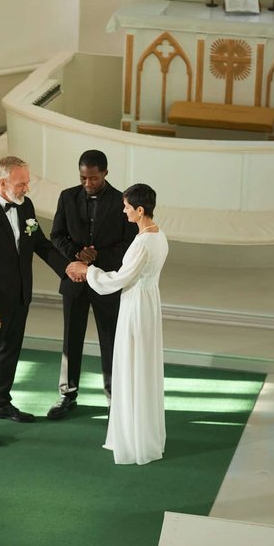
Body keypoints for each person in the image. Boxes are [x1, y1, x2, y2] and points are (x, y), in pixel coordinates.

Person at [0, 155, 70, 446]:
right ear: (3, 183)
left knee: (10, 352)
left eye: (27, 182)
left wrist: (67, 268)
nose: (26, 188)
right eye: (21, 183)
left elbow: (40, 244)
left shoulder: (26, 206)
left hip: (21, 297)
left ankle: (1, 402)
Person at [67, 184, 168, 465]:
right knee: (142, 367)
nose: (123, 211)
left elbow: (119, 279)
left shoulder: (143, 243)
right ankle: (141, 433)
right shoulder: (159, 236)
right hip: (147, 303)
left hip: (135, 307)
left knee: (131, 366)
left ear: (139, 209)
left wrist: (87, 271)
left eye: (126, 207)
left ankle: (133, 441)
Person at [47, 150, 136, 420]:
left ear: (105, 173)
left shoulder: (122, 201)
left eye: (93, 178)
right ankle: (67, 395)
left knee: (110, 340)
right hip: (75, 280)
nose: (88, 183)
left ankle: (113, 398)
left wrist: (97, 257)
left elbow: (128, 244)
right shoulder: (67, 197)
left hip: (106, 282)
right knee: (71, 338)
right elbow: (56, 235)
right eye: (83, 178)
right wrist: (77, 255)